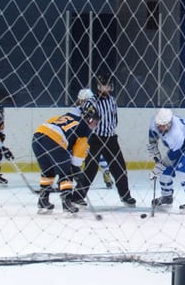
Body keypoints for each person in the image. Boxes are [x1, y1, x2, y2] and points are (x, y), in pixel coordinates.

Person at [72, 74, 136, 207]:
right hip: (96, 138)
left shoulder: (112, 100)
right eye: (103, 85)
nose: (106, 88)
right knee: (91, 168)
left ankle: (125, 196)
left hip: (111, 138)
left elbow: (114, 118)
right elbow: (86, 118)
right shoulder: (91, 101)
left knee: (119, 168)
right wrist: (90, 116)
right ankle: (77, 197)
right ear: (98, 87)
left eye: (108, 85)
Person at [32, 101, 100, 213]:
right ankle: (67, 203)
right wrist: (77, 170)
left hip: (37, 138)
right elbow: (78, 153)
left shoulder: (69, 116)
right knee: (67, 172)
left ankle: (43, 200)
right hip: (54, 141)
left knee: (48, 171)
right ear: (90, 119)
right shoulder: (84, 129)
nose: (95, 126)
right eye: (95, 123)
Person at [148, 108, 185, 210]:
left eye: (163, 125)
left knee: (182, 172)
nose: (160, 127)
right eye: (159, 125)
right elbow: (152, 141)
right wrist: (156, 158)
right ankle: (167, 197)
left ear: (169, 123)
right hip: (179, 146)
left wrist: (159, 167)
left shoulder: (175, 134)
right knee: (165, 173)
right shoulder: (154, 122)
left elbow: (172, 156)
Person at [72, 89, 114, 189]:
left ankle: (106, 172)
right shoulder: (78, 110)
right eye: (82, 101)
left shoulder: (96, 109)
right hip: (81, 136)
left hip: (91, 135)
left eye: (85, 101)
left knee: (98, 153)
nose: (84, 103)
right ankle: (75, 176)